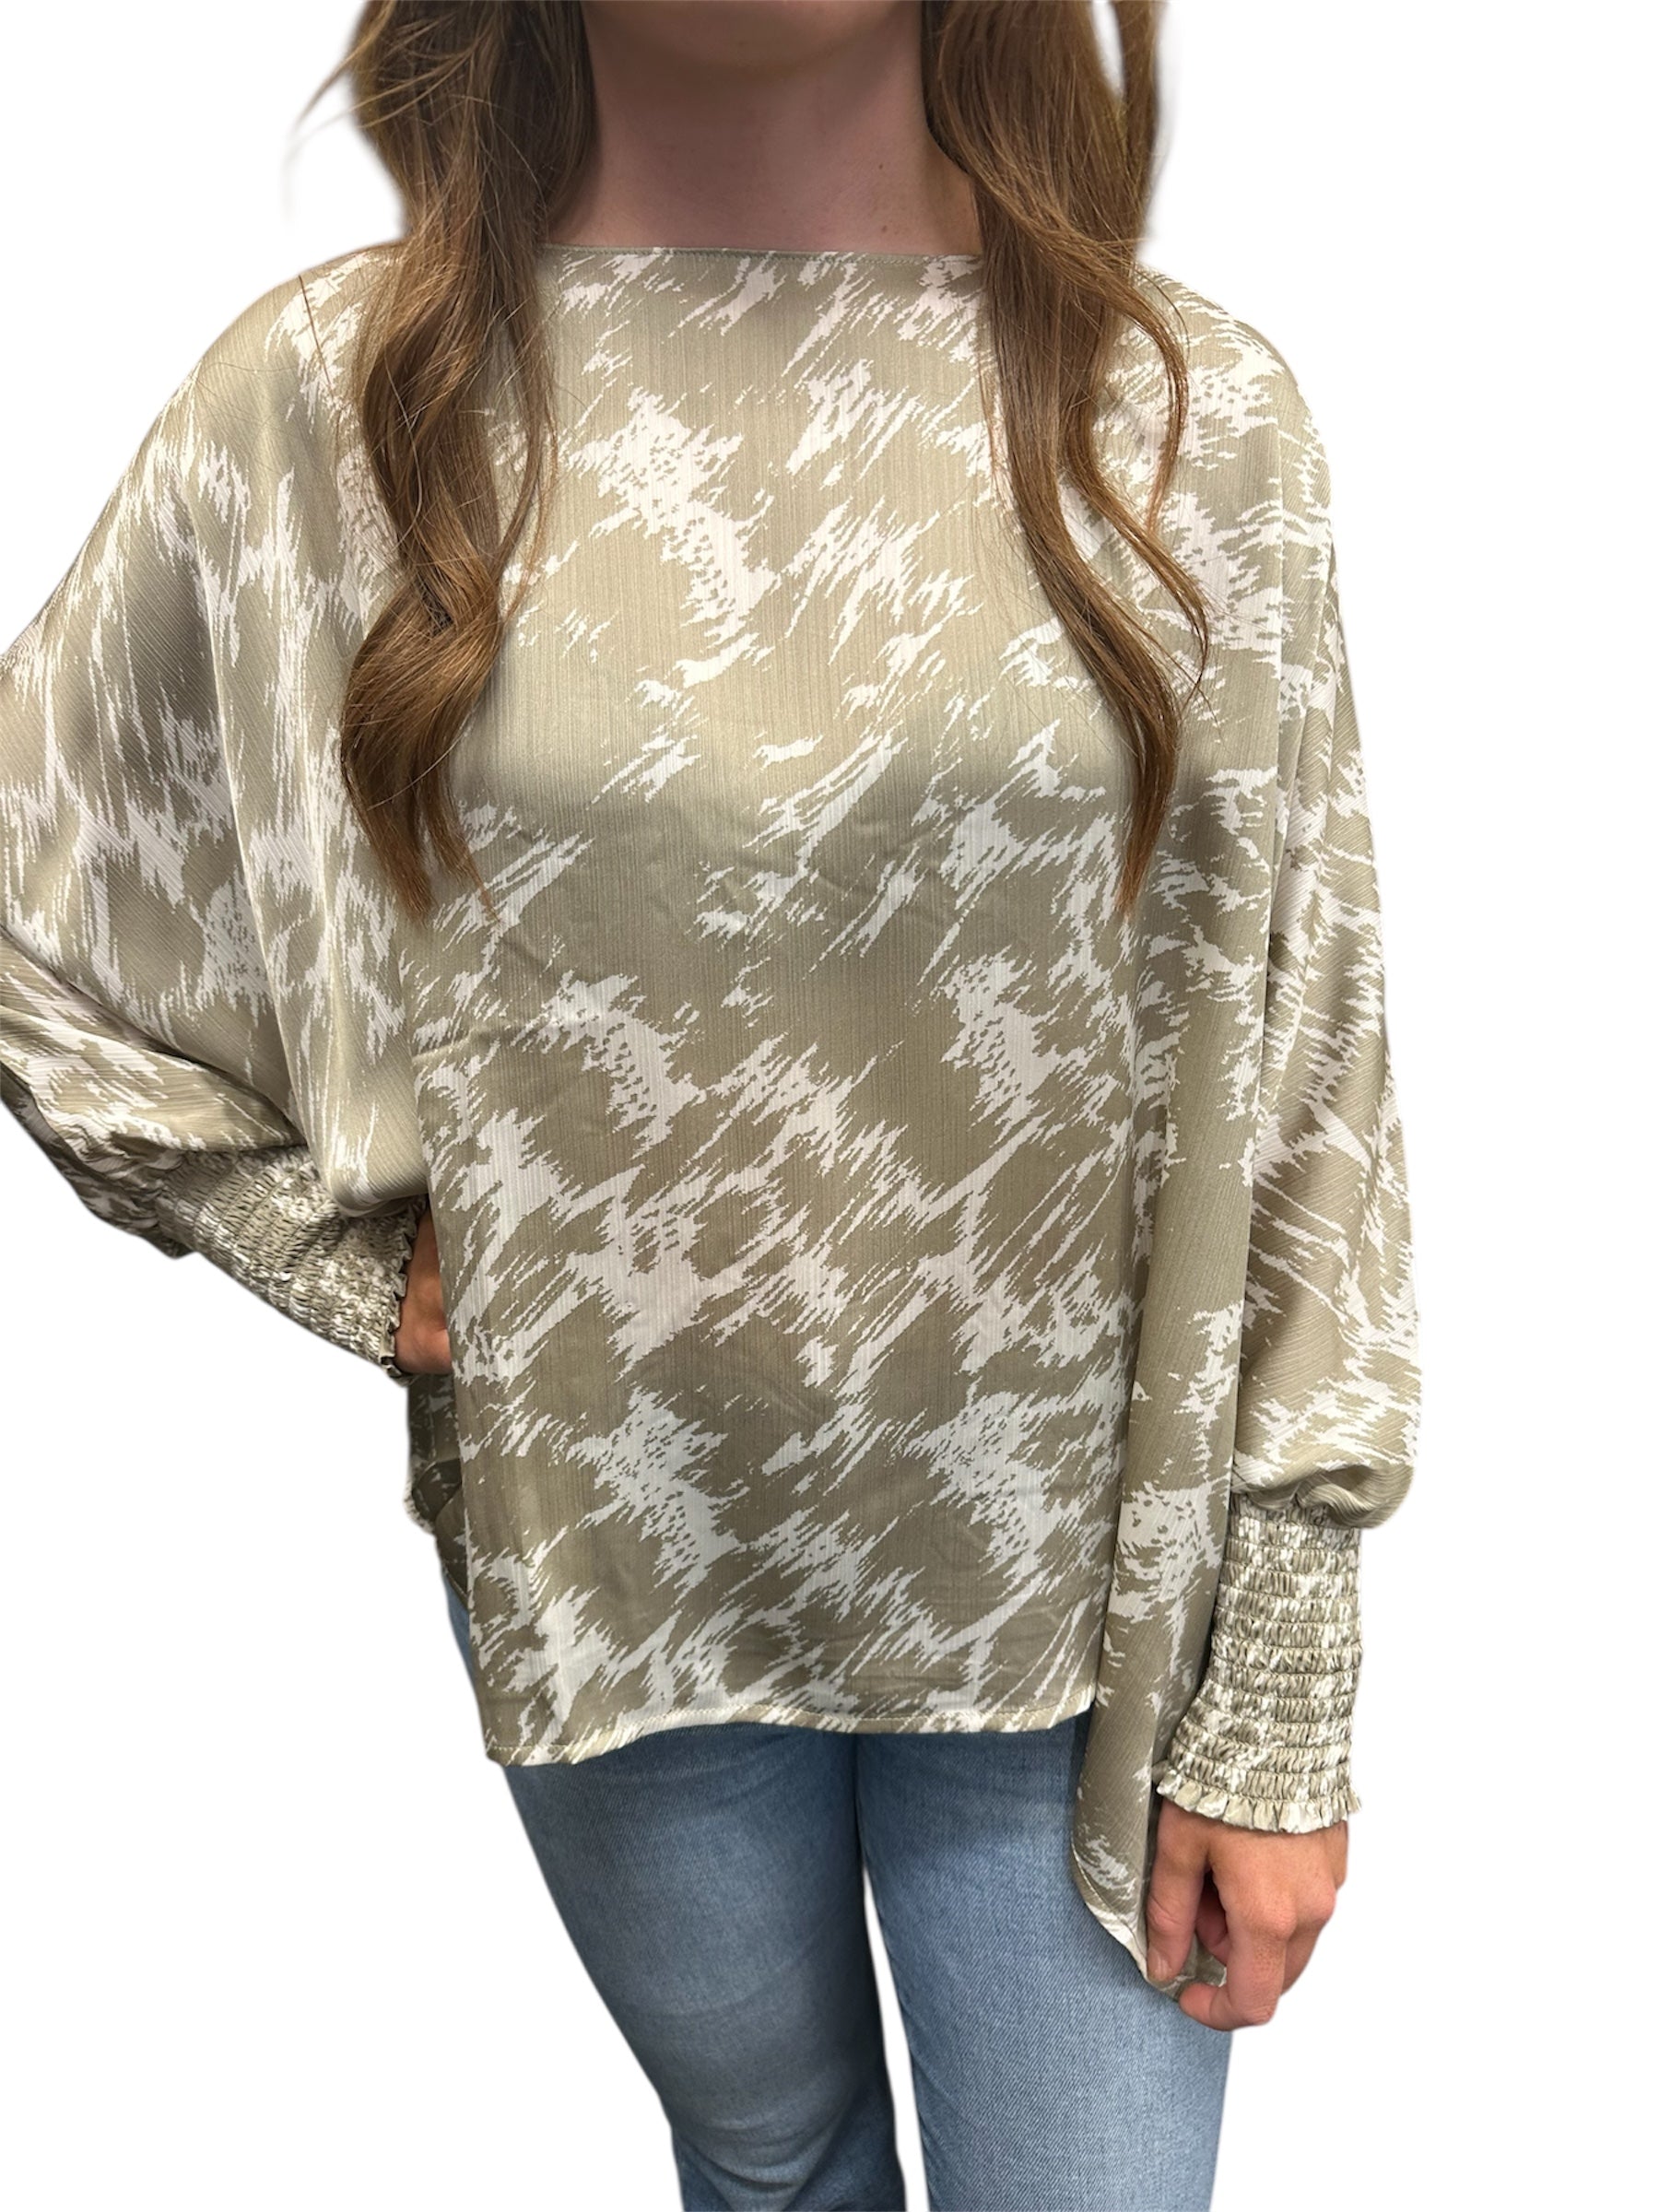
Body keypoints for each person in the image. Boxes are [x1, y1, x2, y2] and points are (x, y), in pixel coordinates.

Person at [0, 3, 1419, 2206]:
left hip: (1079, 1581)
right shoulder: (331, 406)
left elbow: (1301, 1041)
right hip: (614, 1549)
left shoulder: (1178, 412)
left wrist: (1290, 1656)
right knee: (770, 2163)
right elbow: (40, 896)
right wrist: (334, 1255)